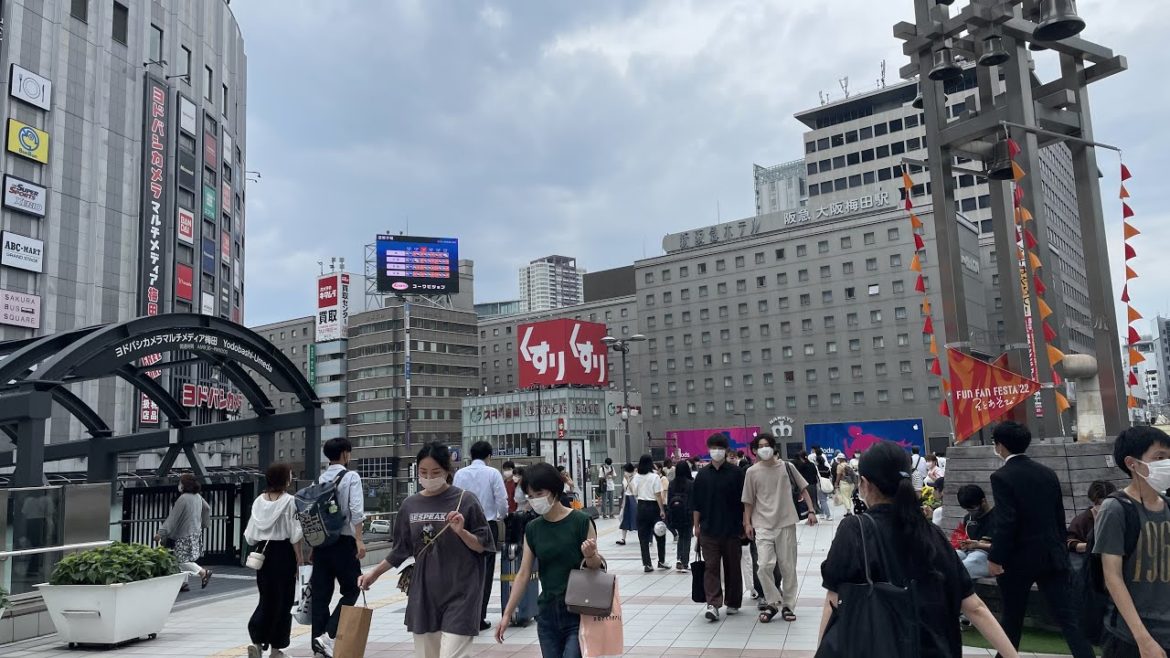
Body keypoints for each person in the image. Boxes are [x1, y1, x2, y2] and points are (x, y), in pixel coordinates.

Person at [818, 441, 1022, 658]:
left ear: (865, 483)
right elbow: (974, 606)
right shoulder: (931, 532)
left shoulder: (854, 529)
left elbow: (833, 602)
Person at [358, 443, 493, 658]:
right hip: (424, 593)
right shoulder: (410, 505)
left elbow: (483, 545)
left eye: (436, 472)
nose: (429, 477)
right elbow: (400, 549)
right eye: (423, 472)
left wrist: (462, 532)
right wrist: (374, 574)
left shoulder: (465, 501)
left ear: (448, 471)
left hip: (462, 590)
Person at [987, 421, 1096, 658]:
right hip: (1051, 556)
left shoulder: (1001, 477)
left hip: (1017, 560)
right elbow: (1059, 517)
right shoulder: (1047, 473)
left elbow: (1006, 522)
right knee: (1068, 618)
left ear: (1000, 446)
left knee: (1012, 618)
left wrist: (996, 557)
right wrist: (1060, 550)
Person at [495, 462, 603, 658]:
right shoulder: (533, 528)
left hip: (577, 611)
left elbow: (597, 568)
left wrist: (590, 556)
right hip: (547, 613)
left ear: (554, 490)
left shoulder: (581, 521)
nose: (535, 500)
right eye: (530, 495)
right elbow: (524, 573)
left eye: (539, 493)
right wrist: (507, 614)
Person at [1093, 426, 1170, 658]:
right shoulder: (1116, 508)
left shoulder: (1168, 505)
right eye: (1159, 458)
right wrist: (1143, 639)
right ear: (1132, 463)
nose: (1166, 464)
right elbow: (1112, 577)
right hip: (1130, 636)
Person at [742, 434, 817, 624]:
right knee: (764, 566)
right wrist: (747, 523)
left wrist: (811, 510)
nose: (764, 448)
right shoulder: (752, 472)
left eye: (767, 445)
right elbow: (748, 501)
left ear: (774, 447)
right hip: (762, 524)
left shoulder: (787, 467)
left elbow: (803, 489)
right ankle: (774, 601)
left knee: (788, 567)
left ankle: (788, 605)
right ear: (755, 450)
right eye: (760, 446)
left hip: (786, 523)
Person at [309, 438, 366, 658]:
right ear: (345, 454)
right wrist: (359, 539)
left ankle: (318, 646)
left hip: (322, 545)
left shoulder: (320, 479)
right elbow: (356, 510)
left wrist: (314, 545)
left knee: (321, 595)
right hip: (344, 543)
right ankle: (327, 636)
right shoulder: (351, 476)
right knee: (352, 588)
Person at [244, 463, 304, 658]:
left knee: (266, 597)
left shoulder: (258, 502)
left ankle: (257, 641)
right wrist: (299, 561)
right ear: (285, 479)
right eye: (290, 475)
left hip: (263, 555)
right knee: (284, 601)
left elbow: (250, 536)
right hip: (284, 553)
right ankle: (276, 650)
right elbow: (295, 535)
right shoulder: (290, 501)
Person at [453, 440, 509, 632]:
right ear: (489, 456)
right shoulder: (492, 473)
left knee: (463, 571)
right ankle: (479, 616)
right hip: (487, 526)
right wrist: (502, 516)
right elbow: (501, 500)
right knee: (484, 573)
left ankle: (463, 614)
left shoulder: (460, 473)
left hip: (463, 527)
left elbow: (454, 498)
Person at [692, 433, 746, 622]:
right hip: (708, 530)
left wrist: (746, 523)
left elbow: (745, 502)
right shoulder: (702, 475)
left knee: (733, 567)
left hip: (732, 529)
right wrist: (696, 526)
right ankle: (713, 603)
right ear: (708, 450)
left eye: (719, 448)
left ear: (725, 450)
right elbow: (696, 503)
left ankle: (733, 601)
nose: (716, 451)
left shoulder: (737, 473)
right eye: (713, 448)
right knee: (711, 567)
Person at [155, 473, 212, 591]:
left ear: (185, 485)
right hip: (195, 532)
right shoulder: (197, 497)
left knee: (180, 560)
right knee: (186, 559)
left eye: (180, 482)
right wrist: (203, 524)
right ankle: (183, 583)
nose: (179, 485)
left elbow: (173, 518)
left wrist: (161, 532)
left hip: (183, 534)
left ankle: (203, 572)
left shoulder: (183, 498)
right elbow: (207, 508)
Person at [632, 454, 667, 572]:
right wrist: (662, 510)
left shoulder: (636, 477)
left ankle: (647, 564)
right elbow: (658, 494)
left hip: (641, 507)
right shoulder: (655, 477)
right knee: (660, 533)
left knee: (643, 537)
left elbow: (634, 492)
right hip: (653, 507)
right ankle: (661, 561)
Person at [954, 484, 996, 579]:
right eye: (967, 510)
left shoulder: (998, 517)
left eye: (973, 509)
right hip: (970, 553)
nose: (970, 513)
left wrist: (978, 545)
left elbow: (1002, 547)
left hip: (990, 558)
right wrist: (965, 545)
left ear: (983, 501)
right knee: (953, 556)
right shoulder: (968, 519)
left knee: (970, 561)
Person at [1067, 480, 1116, 555]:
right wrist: (1092, 546)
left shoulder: (1117, 516)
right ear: (1094, 502)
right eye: (1100, 504)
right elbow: (1069, 543)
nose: (1104, 508)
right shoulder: (1082, 520)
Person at [667, 460, 694, 571]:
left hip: (675, 514)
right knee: (687, 538)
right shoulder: (691, 483)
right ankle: (685, 562)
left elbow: (669, 500)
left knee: (680, 536)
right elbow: (694, 500)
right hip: (687, 514)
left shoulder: (672, 483)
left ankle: (679, 558)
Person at [794, 451, 822, 517]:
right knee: (814, 500)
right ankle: (816, 512)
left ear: (801, 458)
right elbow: (815, 473)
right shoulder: (812, 464)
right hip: (813, 484)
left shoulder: (801, 466)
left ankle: (811, 514)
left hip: (806, 485)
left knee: (807, 501)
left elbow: (799, 476)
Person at [811, 447, 834, 521]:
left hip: (820, 485)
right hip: (827, 485)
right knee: (823, 500)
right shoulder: (827, 468)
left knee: (822, 500)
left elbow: (815, 477)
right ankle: (822, 514)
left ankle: (828, 515)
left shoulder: (816, 468)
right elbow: (830, 476)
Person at [616, 463, 636, 545]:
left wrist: (628, 479)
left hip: (634, 499)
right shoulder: (625, 478)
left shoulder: (636, 478)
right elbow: (625, 490)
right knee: (622, 518)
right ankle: (623, 538)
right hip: (626, 499)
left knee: (637, 518)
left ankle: (647, 537)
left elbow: (633, 490)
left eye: (625, 470)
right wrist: (622, 503)